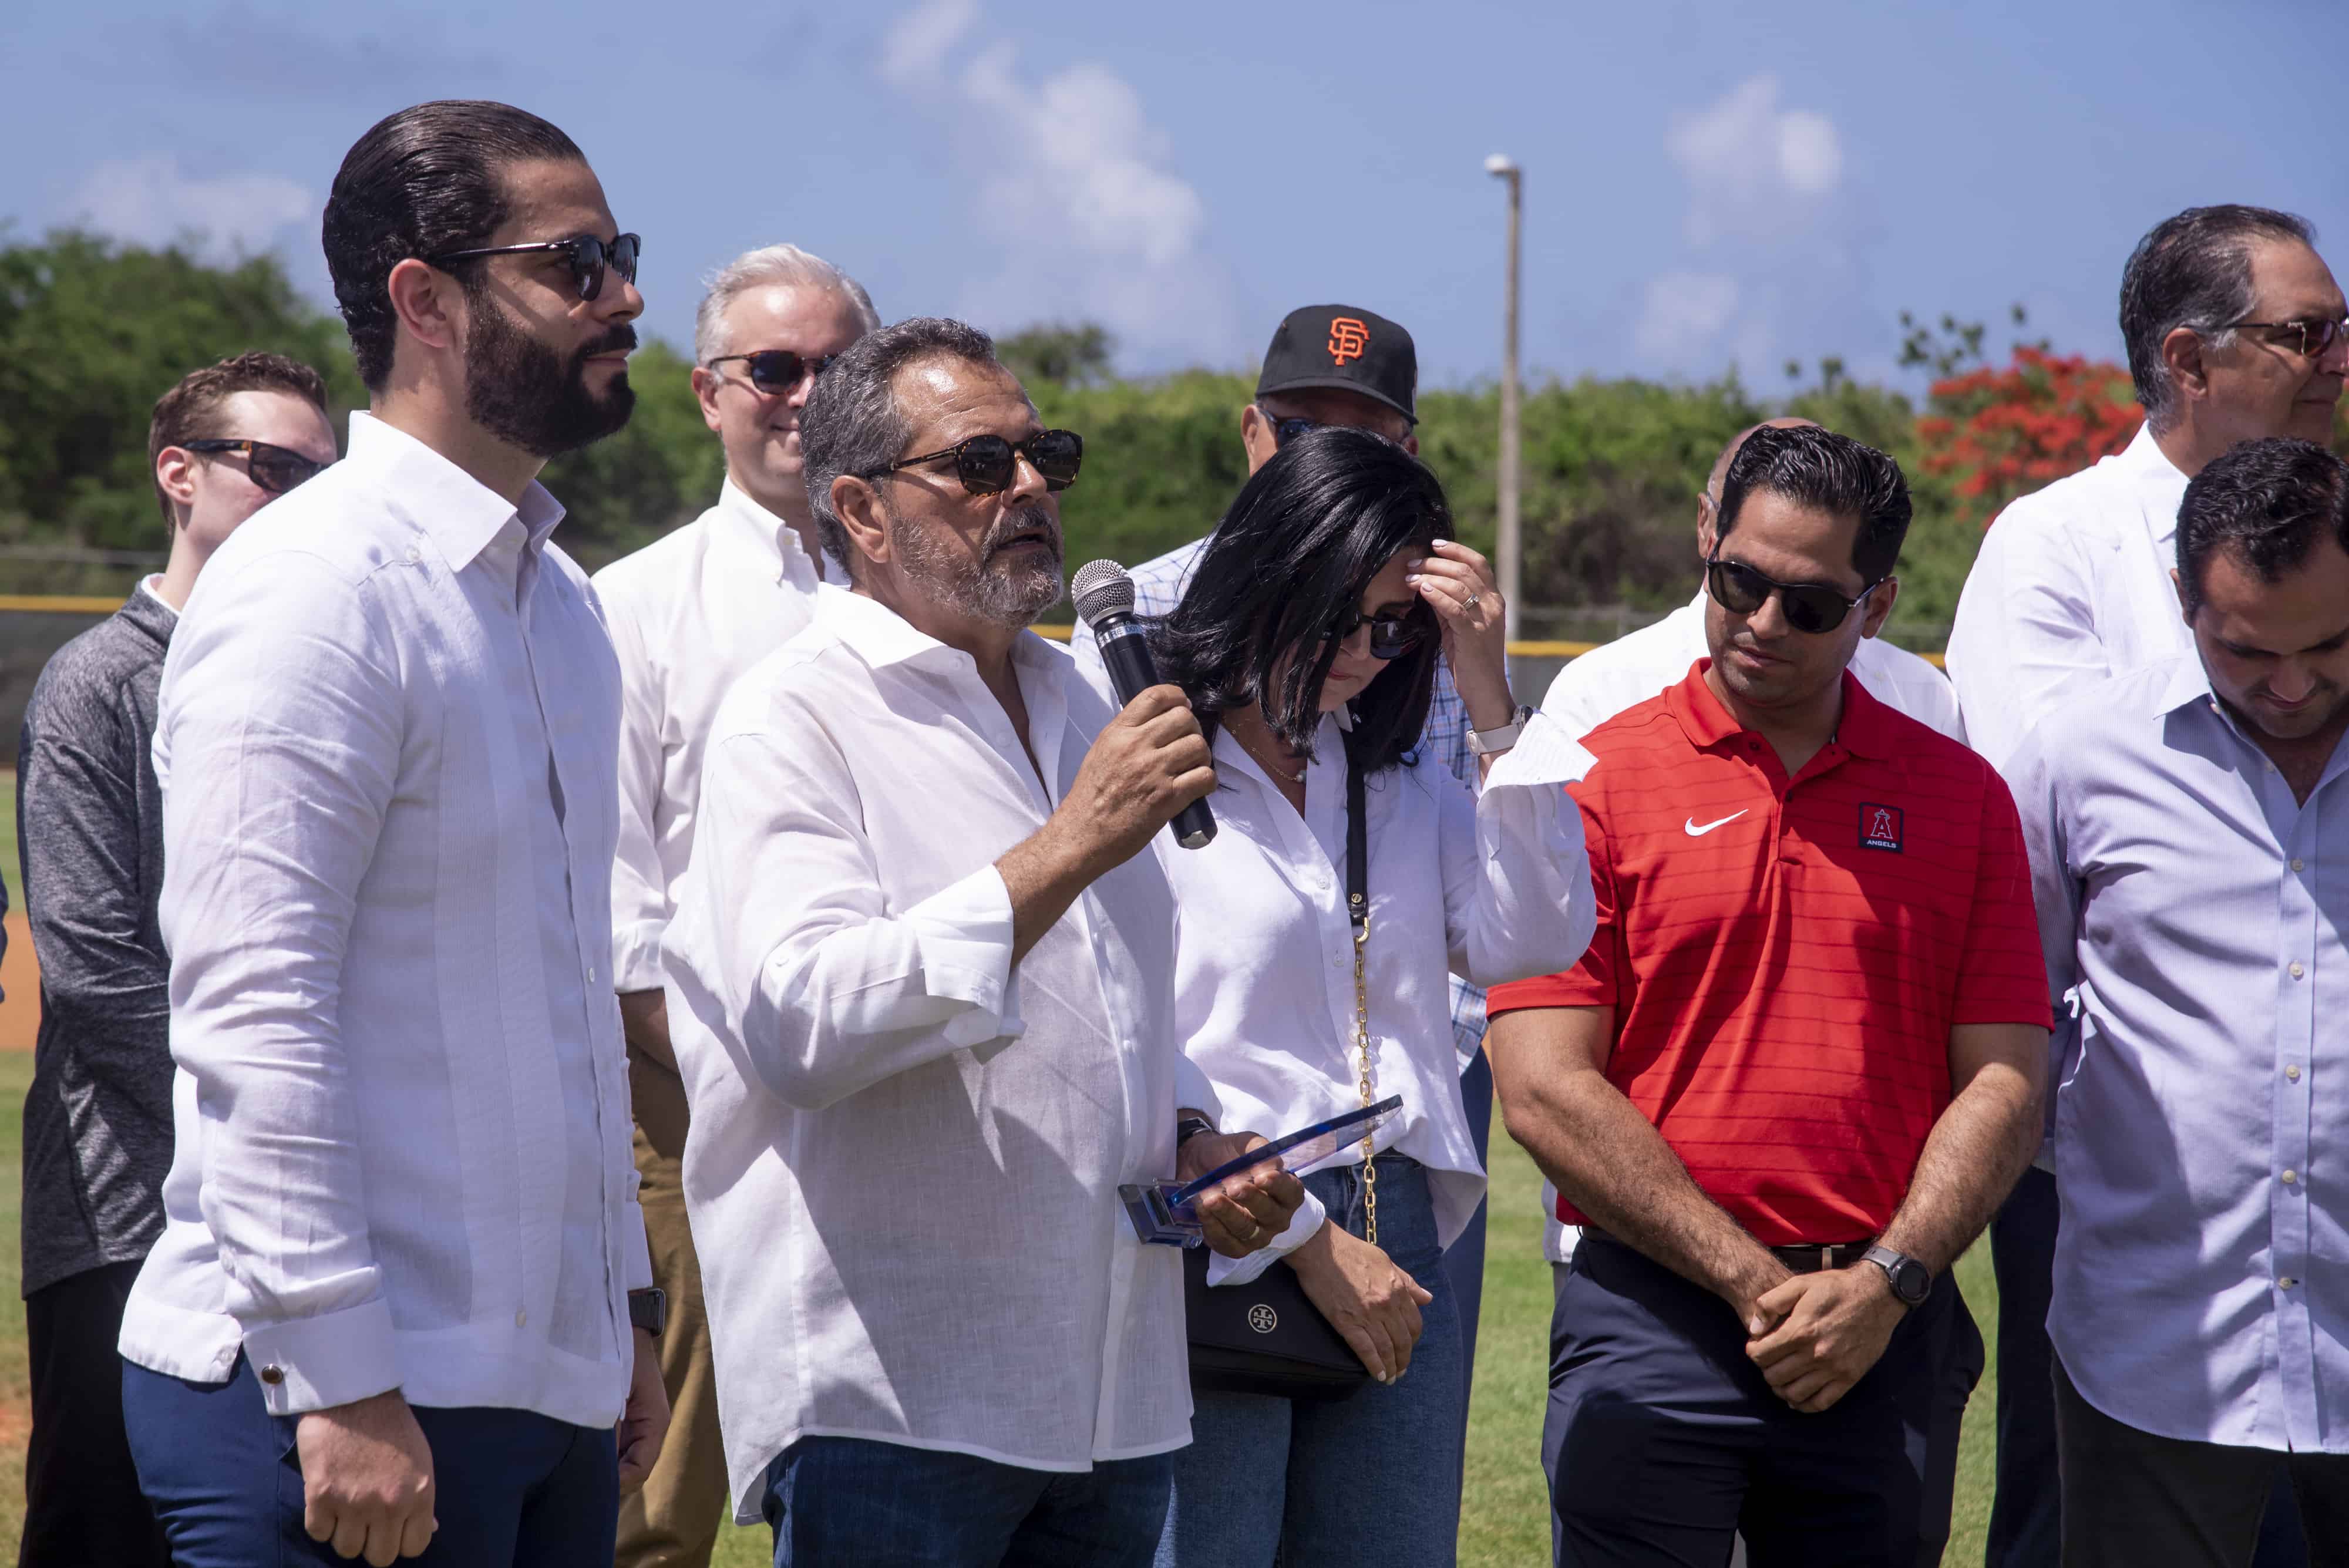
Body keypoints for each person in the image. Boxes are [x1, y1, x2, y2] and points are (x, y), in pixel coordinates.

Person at [116, 100, 668, 1566]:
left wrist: (616, 1312)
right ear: (425, 298)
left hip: (530, 1386)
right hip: (335, 1404)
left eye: (621, 254)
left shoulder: (557, 603)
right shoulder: (316, 583)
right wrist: (339, 1377)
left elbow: (568, 1000)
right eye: (575, 262)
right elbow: (252, 1004)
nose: (623, 296)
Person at [662, 317, 1305, 1567]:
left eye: (1040, 456)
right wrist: (1067, 846)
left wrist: (1189, 1136)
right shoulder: (790, 718)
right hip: (898, 1395)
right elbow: (801, 1024)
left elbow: (1111, 1010)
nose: (1026, 489)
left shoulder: (1082, 701)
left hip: (1108, 1394)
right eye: (976, 464)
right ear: (857, 508)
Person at [1488, 423, 2052, 1566]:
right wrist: (1755, 1285)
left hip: (1878, 1324)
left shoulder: (1959, 797)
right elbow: (1541, 1086)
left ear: (1875, 605)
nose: (1757, 622)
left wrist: (1885, 1283)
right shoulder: (1588, 776)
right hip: (1650, 1316)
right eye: (1735, 581)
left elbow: (2005, 1076)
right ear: (1708, 545)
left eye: (1805, 603)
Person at [1946, 204, 2345, 1568]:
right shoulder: (2054, 546)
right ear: (2186, 357)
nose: (2335, 360)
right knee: (2082, 1523)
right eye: (2305, 334)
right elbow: (2030, 884)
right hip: (2115, 1178)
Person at [1133, 427, 1597, 1567]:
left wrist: (1490, 697)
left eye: (1396, 626)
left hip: (1397, 1231)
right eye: (1339, 611)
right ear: (1271, 567)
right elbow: (1137, 1031)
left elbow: (1533, 936)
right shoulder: (1153, 756)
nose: (1361, 651)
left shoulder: (1387, 775)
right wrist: (1301, 1236)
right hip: (1226, 1223)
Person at [1068, 304, 1502, 1406]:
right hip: (1227, 1139)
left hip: (1409, 1094)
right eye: (1303, 430)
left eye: (1365, 433)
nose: (1363, 650)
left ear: (1406, 451)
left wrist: (1420, 1082)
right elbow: (1121, 917)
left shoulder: (1427, 614)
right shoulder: (1142, 616)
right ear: (1253, 436)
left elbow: (1484, 880)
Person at [15, 350, 335, 1568]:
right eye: (272, 467)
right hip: (127, 1208)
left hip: (300, 1207)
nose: (301, 494)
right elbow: (94, 974)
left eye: (323, 473)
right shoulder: (101, 682)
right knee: (109, 1534)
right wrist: (269, 1122)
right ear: (178, 474)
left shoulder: (321, 684)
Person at [2008, 436, 2349, 1568]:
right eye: (2249, 650)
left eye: (2331, 645)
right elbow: (2019, 1012)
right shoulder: (2083, 755)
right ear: (2178, 598)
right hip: (2150, 1349)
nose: (2292, 684)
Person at [592, 242, 877, 1568]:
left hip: (902, 1092)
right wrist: (718, 1070)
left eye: (836, 368)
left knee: (892, 1473)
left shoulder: (933, 599)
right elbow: (616, 894)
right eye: (773, 368)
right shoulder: (635, 607)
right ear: (707, 392)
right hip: (688, 1102)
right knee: (661, 1507)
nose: (805, 397)